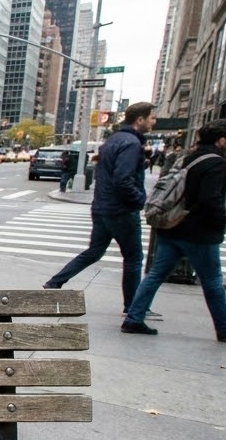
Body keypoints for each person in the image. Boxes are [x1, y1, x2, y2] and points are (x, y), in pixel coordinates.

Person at [122, 120, 226, 341]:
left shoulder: (188, 158)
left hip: (173, 225)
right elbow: (210, 200)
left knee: (156, 274)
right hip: (198, 231)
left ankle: (134, 317)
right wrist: (218, 224)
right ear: (220, 139)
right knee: (212, 280)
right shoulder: (216, 162)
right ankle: (225, 325)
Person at [43, 102, 156, 315]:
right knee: (133, 257)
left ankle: (55, 282)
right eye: (151, 117)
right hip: (121, 209)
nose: (154, 122)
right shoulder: (131, 143)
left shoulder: (113, 140)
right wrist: (139, 199)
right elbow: (123, 180)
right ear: (139, 119)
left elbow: (113, 172)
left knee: (94, 251)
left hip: (102, 206)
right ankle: (133, 308)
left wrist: (140, 166)